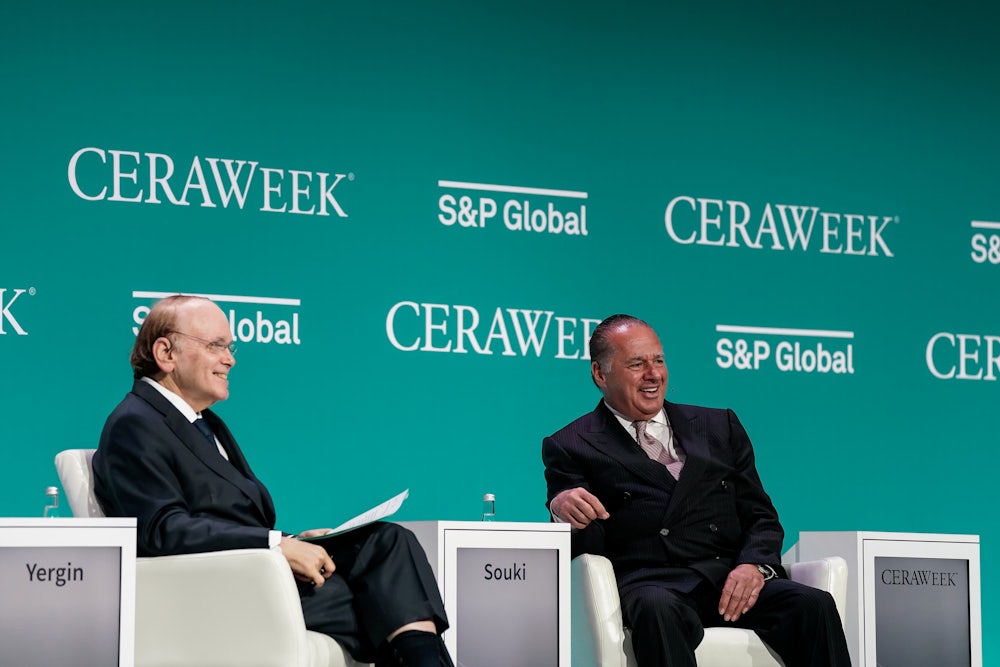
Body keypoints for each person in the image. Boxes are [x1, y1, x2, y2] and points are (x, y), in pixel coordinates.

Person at [93, 294, 453, 667]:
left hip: (259, 567)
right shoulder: (135, 424)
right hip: (224, 586)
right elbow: (162, 529)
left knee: (389, 542)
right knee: (387, 601)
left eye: (230, 347)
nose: (230, 359)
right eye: (216, 346)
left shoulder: (205, 423)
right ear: (166, 353)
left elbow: (229, 517)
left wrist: (293, 542)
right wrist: (275, 544)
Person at [542, 314, 851, 666]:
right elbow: (585, 548)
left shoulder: (719, 425)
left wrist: (754, 566)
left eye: (658, 360)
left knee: (813, 605)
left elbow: (761, 517)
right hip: (654, 584)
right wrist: (566, 516)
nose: (653, 374)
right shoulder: (571, 444)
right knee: (656, 610)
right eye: (636, 364)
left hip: (729, 576)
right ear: (600, 374)